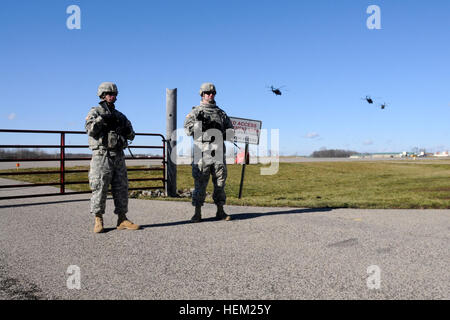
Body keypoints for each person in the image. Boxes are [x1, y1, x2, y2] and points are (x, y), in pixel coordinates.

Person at [85, 82, 140, 233]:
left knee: (121, 187)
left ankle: (122, 218)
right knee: (100, 187)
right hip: (102, 155)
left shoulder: (120, 116)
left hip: (118, 156)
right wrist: (101, 120)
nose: (112, 96)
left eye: (114, 94)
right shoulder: (95, 111)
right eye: (109, 94)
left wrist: (127, 130)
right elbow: (90, 130)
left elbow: (132, 134)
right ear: (102, 95)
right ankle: (98, 219)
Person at [184, 82, 234, 222]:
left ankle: (220, 210)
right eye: (207, 93)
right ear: (202, 94)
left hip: (218, 154)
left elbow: (230, 133)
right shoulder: (195, 112)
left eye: (213, 93)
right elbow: (188, 130)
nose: (210, 95)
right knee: (200, 184)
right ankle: (197, 212)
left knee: (220, 183)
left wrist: (220, 130)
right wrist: (199, 123)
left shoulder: (221, 113)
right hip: (202, 155)